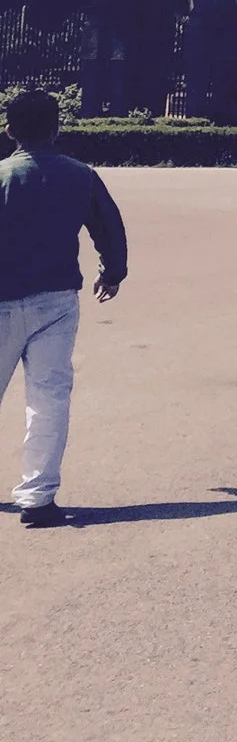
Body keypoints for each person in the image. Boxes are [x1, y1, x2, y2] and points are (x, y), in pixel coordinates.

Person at [0, 90, 127, 527]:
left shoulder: (2, 176)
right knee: (48, 398)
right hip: (55, 301)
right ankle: (36, 497)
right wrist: (113, 272)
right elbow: (108, 226)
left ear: (9, 129)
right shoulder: (80, 175)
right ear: (56, 128)